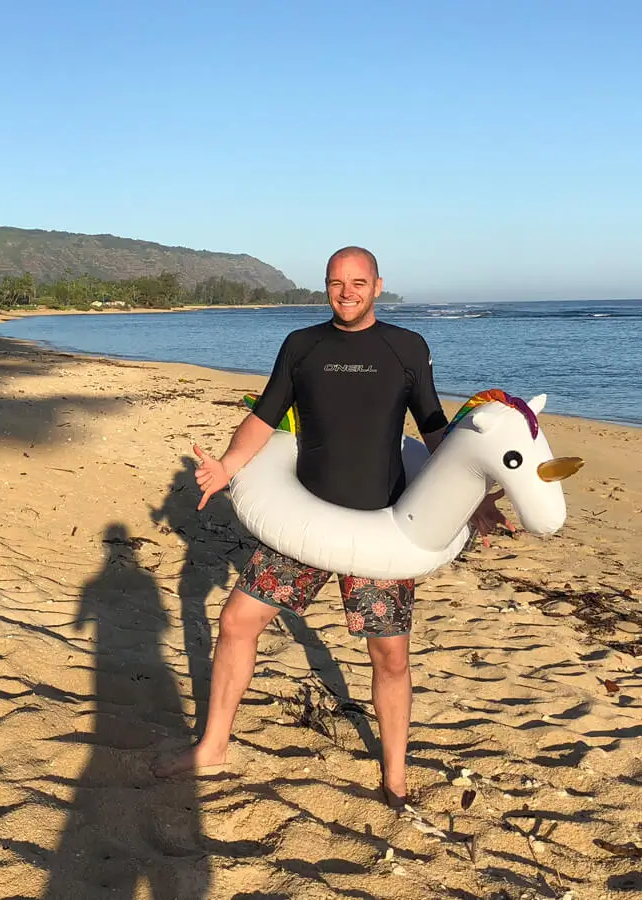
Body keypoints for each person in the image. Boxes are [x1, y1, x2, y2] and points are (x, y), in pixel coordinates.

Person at [155, 246, 510, 807]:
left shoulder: (406, 347)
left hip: (378, 529)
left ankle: (395, 776)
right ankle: (213, 746)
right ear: (325, 286)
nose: (347, 292)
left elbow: (435, 430)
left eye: (358, 282)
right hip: (305, 522)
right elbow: (263, 418)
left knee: (390, 656)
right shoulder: (302, 345)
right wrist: (226, 466)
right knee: (238, 621)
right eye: (336, 282)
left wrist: (473, 498)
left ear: (377, 285)